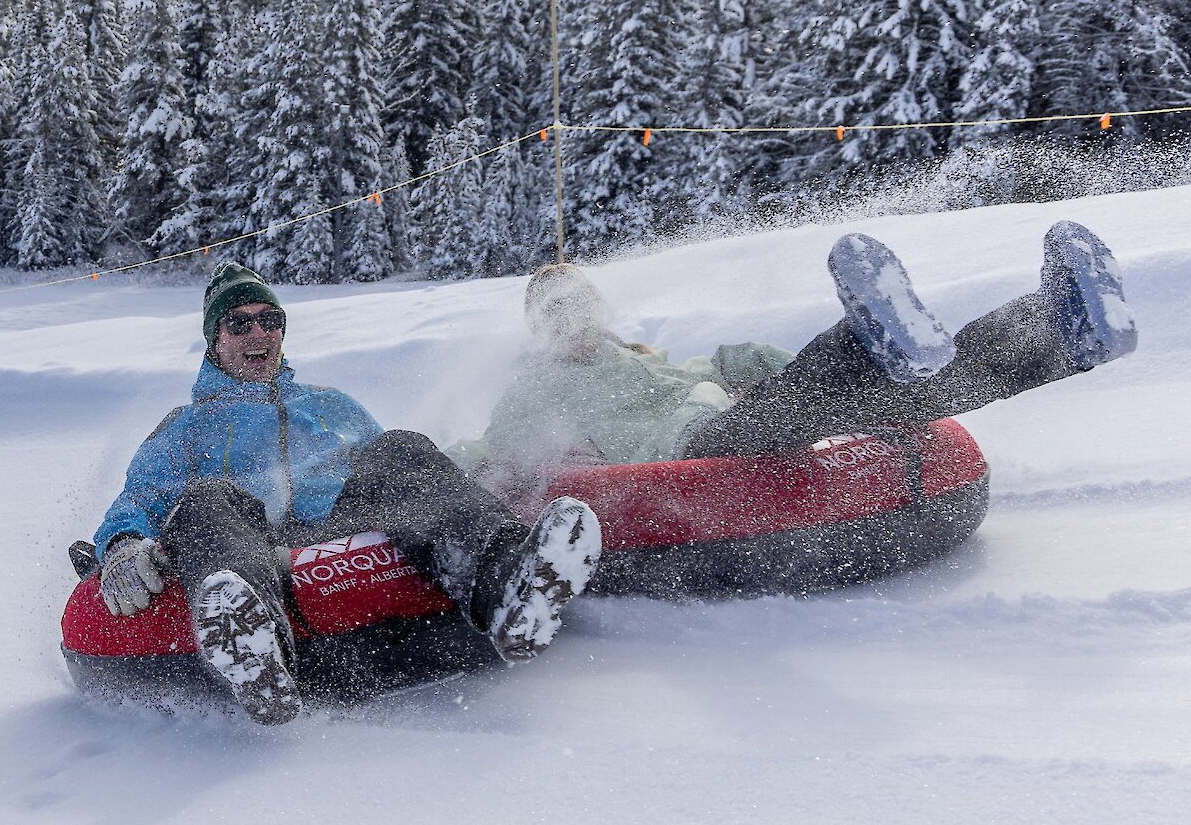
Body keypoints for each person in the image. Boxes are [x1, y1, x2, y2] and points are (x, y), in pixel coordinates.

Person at [91, 261, 603, 726]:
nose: (259, 334)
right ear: (215, 340)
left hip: (342, 529)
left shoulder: (332, 406)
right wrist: (121, 547)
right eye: (239, 323)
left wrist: (489, 475)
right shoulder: (187, 427)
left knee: (400, 445)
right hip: (256, 547)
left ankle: (506, 586)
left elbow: (405, 479)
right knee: (207, 498)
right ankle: (258, 653)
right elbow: (137, 500)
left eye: (270, 321)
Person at [451, 221, 1137, 491]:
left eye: (585, 305)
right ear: (541, 331)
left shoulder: (648, 359)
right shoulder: (536, 390)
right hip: (697, 452)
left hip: (740, 423)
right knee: (839, 386)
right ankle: (865, 339)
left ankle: (1056, 332)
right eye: (560, 314)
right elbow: (492, 449)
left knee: (906, 391)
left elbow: (728, 358)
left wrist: (761, 368)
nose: (579, 321)